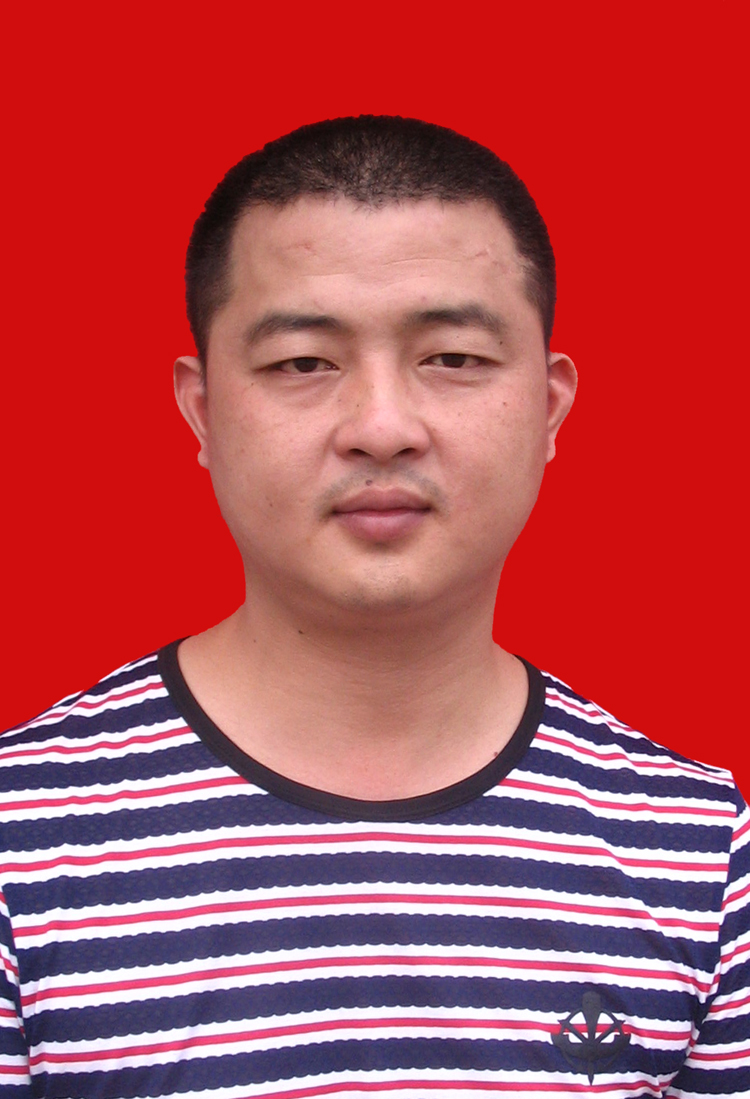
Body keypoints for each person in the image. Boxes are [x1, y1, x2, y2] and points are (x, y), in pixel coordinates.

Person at [0, 116, 747, 1097]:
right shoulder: (21, 839)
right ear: (203, 409)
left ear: (550, 406)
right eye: (304, 362)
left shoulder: (697, 850)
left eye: (454, 357)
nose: (383, 427)